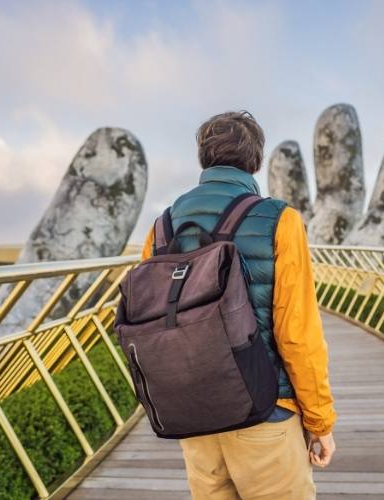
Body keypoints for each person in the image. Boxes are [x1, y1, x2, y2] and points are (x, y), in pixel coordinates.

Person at [140, 110, 336, 499]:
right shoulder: (279, 219)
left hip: (195, 416)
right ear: (256, 161)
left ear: (204, 159)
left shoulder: (161, 227)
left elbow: (150, 324)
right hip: (265, 413)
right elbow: (297, 333)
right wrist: (320, 421)